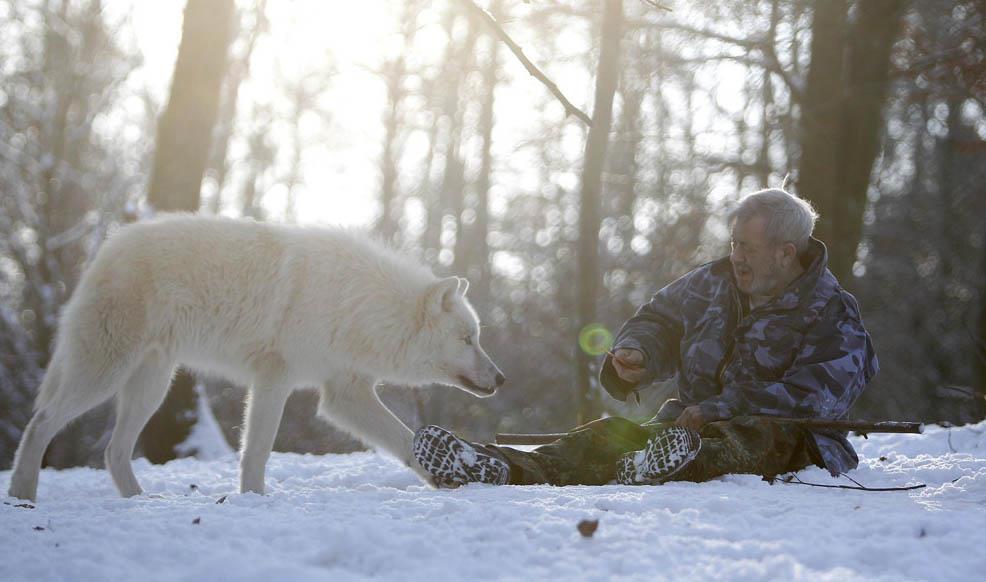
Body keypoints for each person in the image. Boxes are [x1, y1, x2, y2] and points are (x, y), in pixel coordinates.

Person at [412, 189, 879, 487]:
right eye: (733, 244)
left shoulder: (834, 315)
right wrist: (638, 353)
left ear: (785, 253)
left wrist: (718, 410)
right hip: (680, 430)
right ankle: (494, 466)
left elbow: (812, 401)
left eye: (747, 248)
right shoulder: (712, 282)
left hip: (790, 444)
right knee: (606, 437)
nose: (735, 256)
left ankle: (661, 463)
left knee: (754, 436)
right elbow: (658, 318)